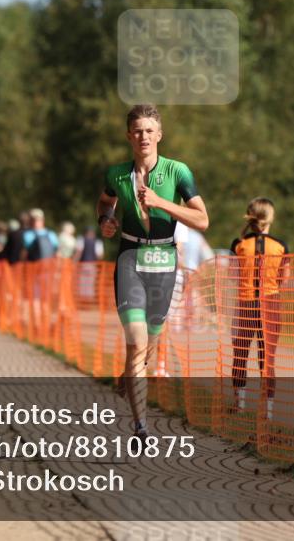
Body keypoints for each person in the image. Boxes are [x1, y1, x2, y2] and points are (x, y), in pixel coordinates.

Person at [97, 103, 208, 443]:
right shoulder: (116, 173)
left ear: (159, 134)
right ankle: (141, 426)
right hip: (130, 257)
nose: (143, 136)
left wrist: (162, 203)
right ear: (128, 135)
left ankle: (129, 373)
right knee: (136, 341)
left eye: (149, 130)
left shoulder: (178, 172)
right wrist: (106, 220)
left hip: (164, 262)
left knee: (151, 343)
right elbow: (105, 202)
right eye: (137, 130)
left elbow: (202, 219)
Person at [229, 198, 288, 420]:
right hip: (271, 305)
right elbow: (285, 277)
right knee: (268, 359)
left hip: (245, 304)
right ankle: (268, 411)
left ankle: (239, 404)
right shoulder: (280, 247)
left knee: (240, 355)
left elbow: (233, 273)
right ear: (270, 219)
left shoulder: (239, 244)